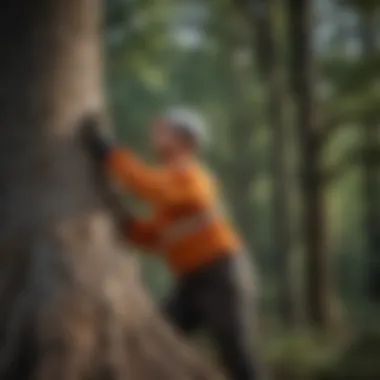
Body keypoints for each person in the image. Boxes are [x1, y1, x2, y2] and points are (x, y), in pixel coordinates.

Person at [83, 108, 262, 380]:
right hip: (190, 283)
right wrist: (119, 218)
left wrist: (111, 154)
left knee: (236, 354)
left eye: (165, 130)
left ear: (186, 141)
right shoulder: (168, 182)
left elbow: (153, 189)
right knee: (157, 338)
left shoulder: (193, 176)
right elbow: (155, 237)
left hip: (221, 276)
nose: (155, 135)